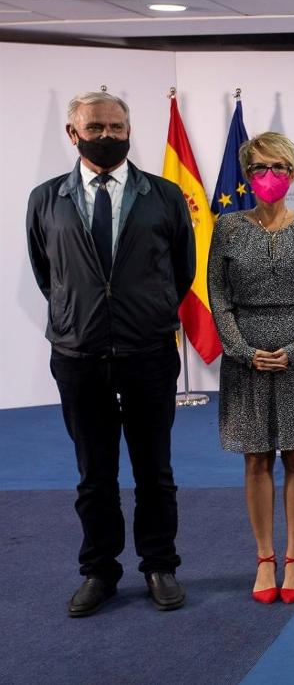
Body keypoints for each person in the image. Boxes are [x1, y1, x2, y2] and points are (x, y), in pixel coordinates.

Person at [26, 91, 195, 617]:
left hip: (148, 351)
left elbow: (182, 271)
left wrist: (146, 311)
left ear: (129, 130)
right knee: (93, 474)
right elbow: (47, 273)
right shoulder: (46, 198)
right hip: (79, 355)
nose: (107, 135)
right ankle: (99, 571)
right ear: (73, 134)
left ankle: (159, 565)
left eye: (116, 127)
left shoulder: (164, 195)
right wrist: (79, 315)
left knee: (155, 470)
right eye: (95, 127)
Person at [207, 132, 294, 605]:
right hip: (247, 362)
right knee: (256, 459)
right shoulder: (228, 227)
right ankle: (265, 558)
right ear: (247, 175)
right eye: (260, 167)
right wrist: (242, 350)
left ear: (293, 173)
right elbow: (218, 296)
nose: (269, 175)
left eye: (279, 167)